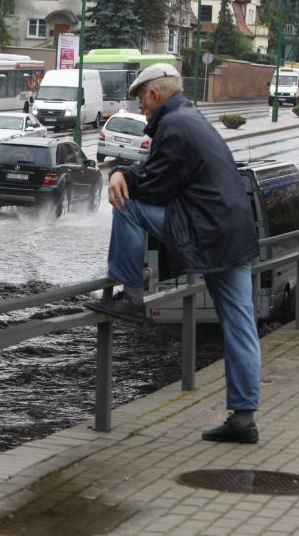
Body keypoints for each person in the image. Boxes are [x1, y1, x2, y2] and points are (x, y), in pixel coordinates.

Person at [83, 63, 262, 444]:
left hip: (206, 232)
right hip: (232, 234)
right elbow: (162, 168)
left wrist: (120, 177)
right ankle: (244, 418)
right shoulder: (188, 118)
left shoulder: (175, 126)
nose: (139, 107)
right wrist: (129, 172)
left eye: (140, 99)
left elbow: (157, 184)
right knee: (241, 327)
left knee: (125, 204)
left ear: (155, 95)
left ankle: (131, 295)